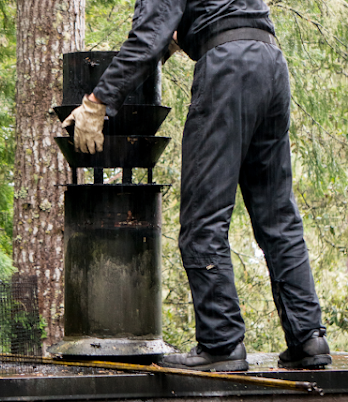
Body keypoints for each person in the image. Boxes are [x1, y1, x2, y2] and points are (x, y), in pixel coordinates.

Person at [62, 0, 331, 371]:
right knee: (278, 217)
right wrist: (183, 34)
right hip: (270, 62)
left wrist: (97, 102)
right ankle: (309, 340)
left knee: (203, 221)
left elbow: (149, 35)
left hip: (228, 71)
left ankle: (221, 344)